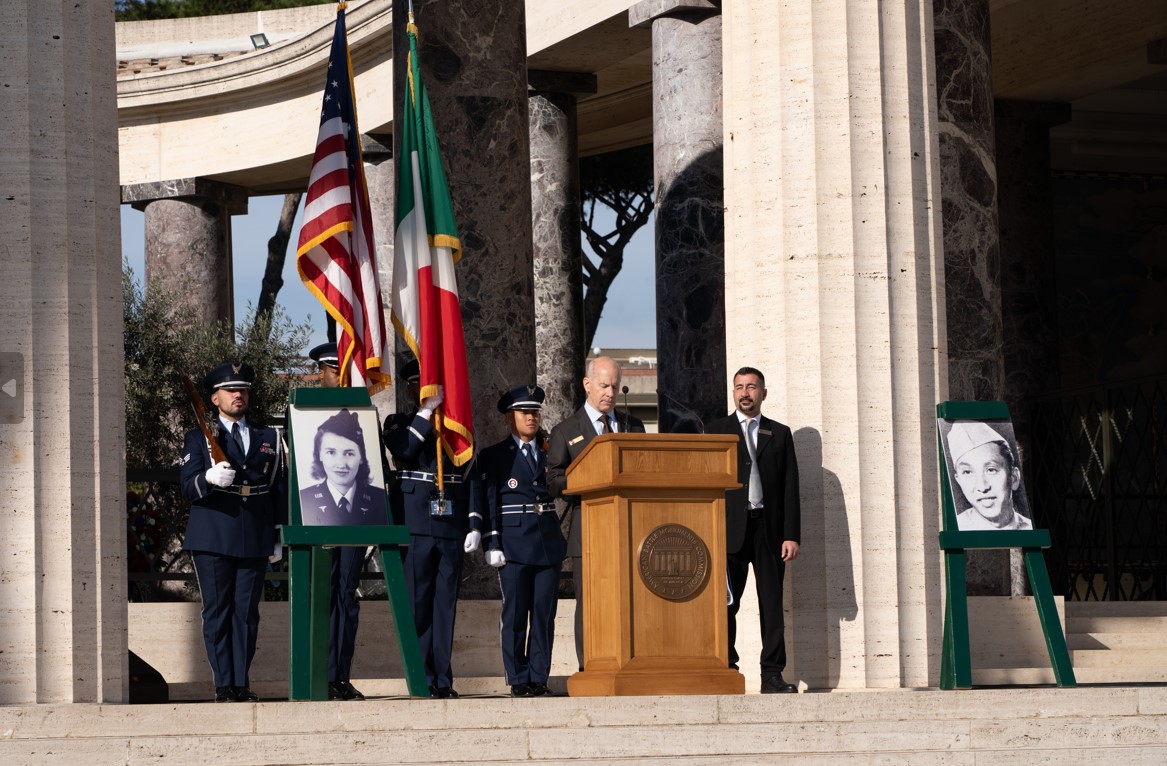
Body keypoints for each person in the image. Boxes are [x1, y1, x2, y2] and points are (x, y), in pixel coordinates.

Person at [179, 361, 286, 703]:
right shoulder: (199, 438)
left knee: (246, 612)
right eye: (230, 391)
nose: (238, 395)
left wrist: (278, 530)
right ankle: (224, 683)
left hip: (254, 531)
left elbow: (276, 486)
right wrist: (207, 479)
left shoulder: (269, 437)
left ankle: (242, 682)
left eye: (242, 390)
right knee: (218, 610)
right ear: (214, 399)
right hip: (214, 531)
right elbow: (186, 485)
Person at [383, 359, 478, 698]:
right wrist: (426, 413)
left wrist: (473, 522)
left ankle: (442, 678)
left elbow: (471, 475)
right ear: (412, 389)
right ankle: (420, 676)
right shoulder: (399, 422)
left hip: (449, 523)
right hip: (415, 523)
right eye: (421, 387)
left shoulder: (455, 428)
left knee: (444, 606)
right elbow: (406, 449)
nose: (429, 392)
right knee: (417, 604)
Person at [706, 366, 800, 694]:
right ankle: (726, 668)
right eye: (739, 387)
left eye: (751, 387)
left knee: (771, 606)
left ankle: (772, 674)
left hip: (768, 532)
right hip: (728, 533)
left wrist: (791, 534)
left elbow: (790, 487)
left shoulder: (780, 433)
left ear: (763, 392)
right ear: (733, 393)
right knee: (726, 604)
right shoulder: (715, 431)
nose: (745, 392)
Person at [546, 355, 644, 669]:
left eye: (615, 386)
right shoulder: (566, 430)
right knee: (590, 604)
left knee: (629, 602)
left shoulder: (633, 426)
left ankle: (629, 665)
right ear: (587, 384)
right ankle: (589, 667)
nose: (610, 393)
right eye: (603, 385)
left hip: (631, 533)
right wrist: (585, 479)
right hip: (587, 532)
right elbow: (552, 479)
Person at [471, 385, 566, 697]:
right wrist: (492, 542)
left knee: (543, 615)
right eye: (525, 412)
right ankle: (518, 678)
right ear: (508, 418)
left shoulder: (550, 452)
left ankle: (539, 677)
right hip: (512, 543)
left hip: (546, 542)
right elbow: (487, 500)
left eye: (535, 412)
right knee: (514, 615)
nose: (532, 417)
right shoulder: (494, 456)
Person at [299, 409, 388, 527]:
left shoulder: (379, 499)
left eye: (349, 454)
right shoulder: (304, 498)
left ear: (361, 457)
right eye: (331, 452)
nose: (341, 465)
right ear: (320, 455)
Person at [946, 421, 1032, 531]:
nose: (982, 487)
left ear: (1014, 478)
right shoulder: (956, 530)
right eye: (968, 472)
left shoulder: (1029, 530)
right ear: (959, 482)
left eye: (991, 470)